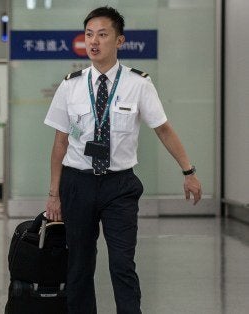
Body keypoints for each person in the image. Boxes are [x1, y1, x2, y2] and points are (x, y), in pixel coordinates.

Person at [43, 6, 202, 314]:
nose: (94, 42)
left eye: (103, 35)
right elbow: (60, 142)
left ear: (119, 41)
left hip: (119, 185)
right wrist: (54, 193)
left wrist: (189, 171)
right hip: (77, 183)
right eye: (89, 34)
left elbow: (163, 129)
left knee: (122, 265)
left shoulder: (138, 84)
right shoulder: (70, 85)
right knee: (78, 265)